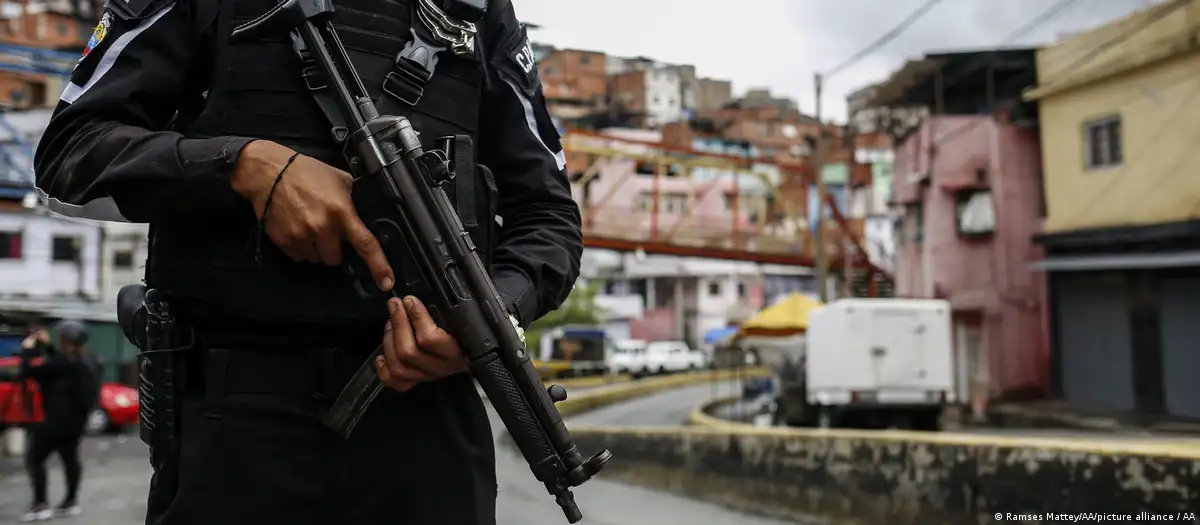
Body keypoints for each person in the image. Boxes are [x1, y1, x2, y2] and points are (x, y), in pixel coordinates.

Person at [33, 0, 581, 523]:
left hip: (426, 427)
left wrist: (491, 314)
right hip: (237, 427)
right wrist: (242, 167)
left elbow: (549, 217)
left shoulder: (479, 11)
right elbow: (70, 155)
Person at [15, 321, 99, 522]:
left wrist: (26, 350)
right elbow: (56, 364)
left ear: (66, 340)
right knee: (70, 460)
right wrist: (46, 346)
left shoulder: (62, 364)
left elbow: (30, 371)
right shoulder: (86, 360)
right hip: (76, 423)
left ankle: (40, 504)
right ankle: (70, 502)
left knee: (35, 458)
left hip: (55, 422)